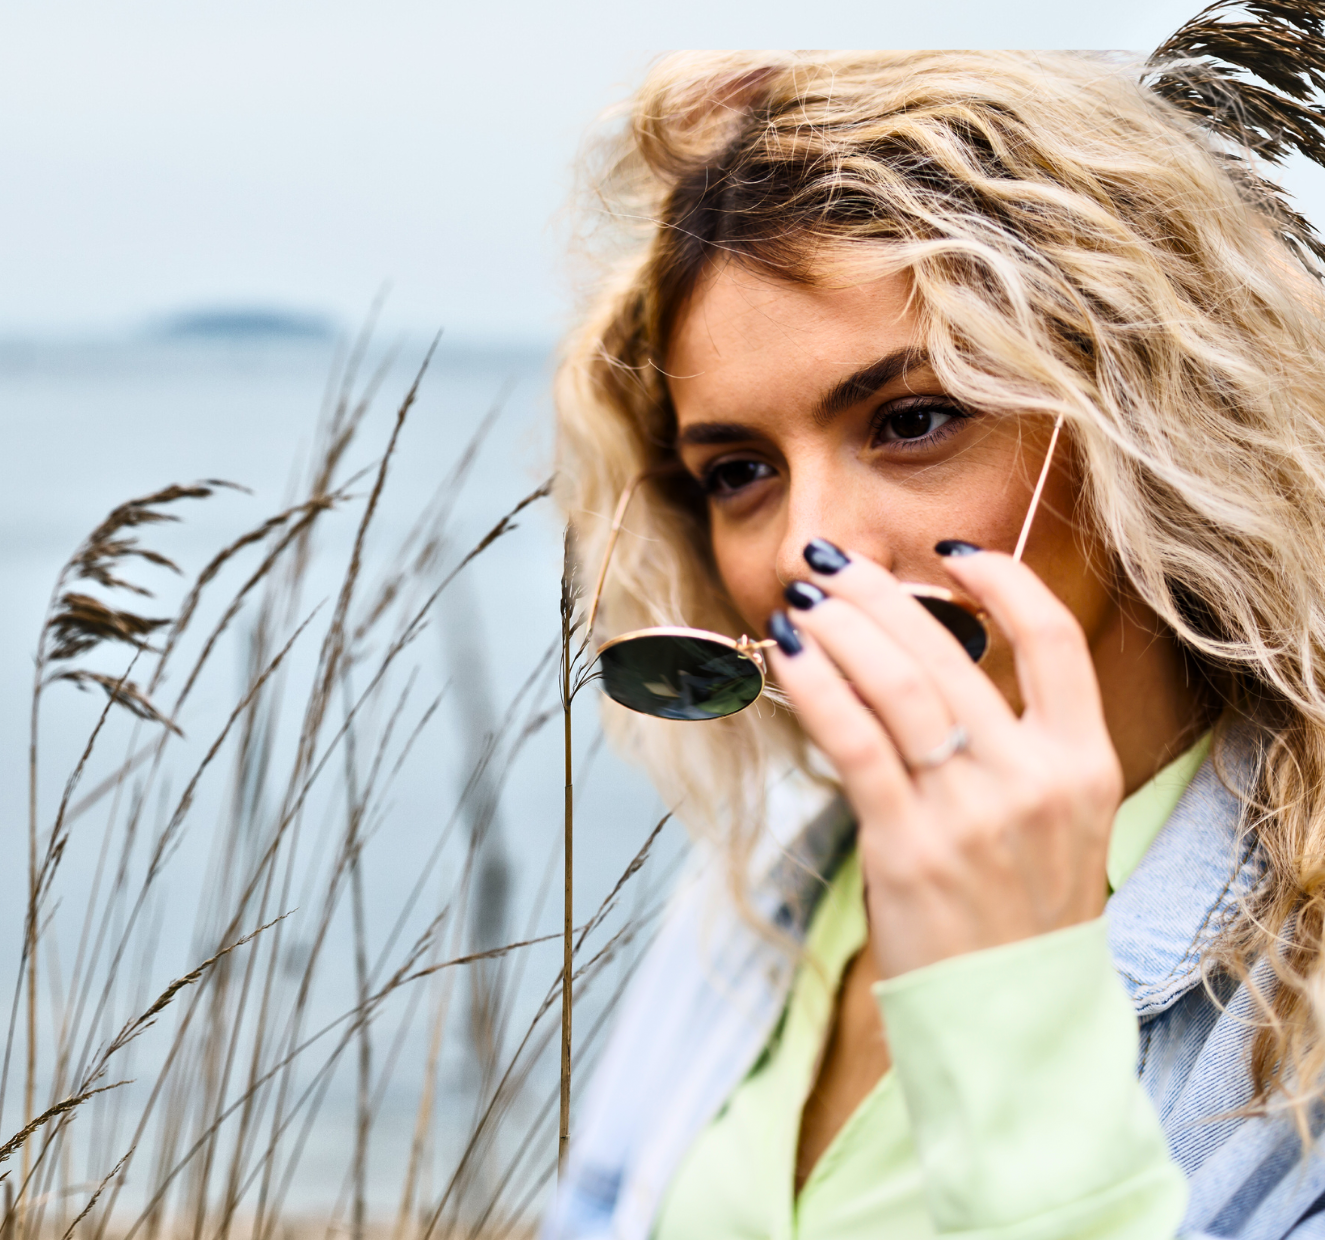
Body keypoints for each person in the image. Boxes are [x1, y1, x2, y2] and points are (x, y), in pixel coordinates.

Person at [549, 11, 1325, 1240]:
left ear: (1150, 424)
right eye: (739, 471)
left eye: (910, 420)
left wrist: (1005, 1004)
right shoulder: (765, 874)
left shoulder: (1295, 1001)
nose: (812, 545)